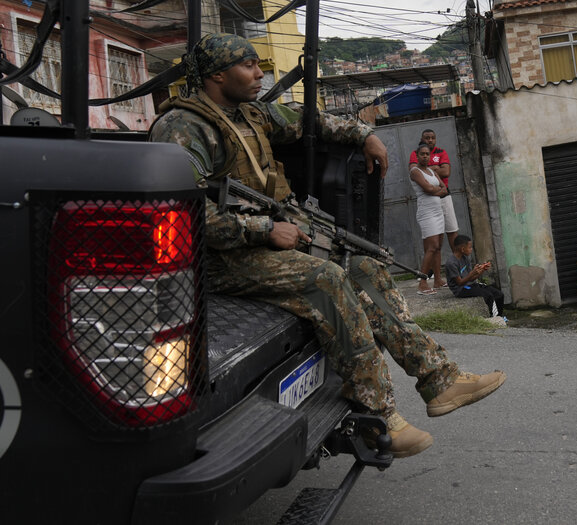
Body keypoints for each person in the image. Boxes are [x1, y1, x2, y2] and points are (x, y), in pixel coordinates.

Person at [149, 33, 504, 458]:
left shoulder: (248, 114)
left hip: (265, 240)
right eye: (249, 66)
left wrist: (362, 133)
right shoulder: (182, 129)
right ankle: (378, 415)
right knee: (328, 278)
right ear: (217, 75)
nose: (260, 73)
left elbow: (308, 120)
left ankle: (440, 380)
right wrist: (263, 230)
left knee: (366, 267)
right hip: (219, 259)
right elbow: (180, 216)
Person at [408, 129, 460, 252]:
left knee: (452, 230)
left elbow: (446, 172)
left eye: (433, 137)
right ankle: (432, 270)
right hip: (428, 200)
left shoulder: (442, 152)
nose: (430, 140)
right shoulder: (414, 153)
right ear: (422, 139)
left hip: (444, 197)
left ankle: (458, 264)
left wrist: (427, 169)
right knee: (434, 238)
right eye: (427, 137)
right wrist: (435, 168)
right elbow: (414, 171)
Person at [409, 143, 449, 295]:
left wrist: (435, 191)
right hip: (426, 212)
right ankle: (423, 283)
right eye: (422, 154)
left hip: (438, 211)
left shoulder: (432, 171)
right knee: (431, 247)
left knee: (438, 246)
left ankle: (438, 280)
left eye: (427, 154)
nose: (425, 156)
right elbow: (428, 189)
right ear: (417, 155)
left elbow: (444, 189)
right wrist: (435, 190)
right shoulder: (415, 171)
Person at [444, 234, 505, 321]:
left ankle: (500, 316)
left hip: (469, 284)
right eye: (470, 247)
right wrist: (472, 273)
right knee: (488, 295)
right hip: (460, 289)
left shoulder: (465, 258)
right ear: (462, 249)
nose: (471, 249)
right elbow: (460, 283)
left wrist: (481, 271)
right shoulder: (451, 263)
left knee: (499, 294)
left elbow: (471, 278)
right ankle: (495, 318)